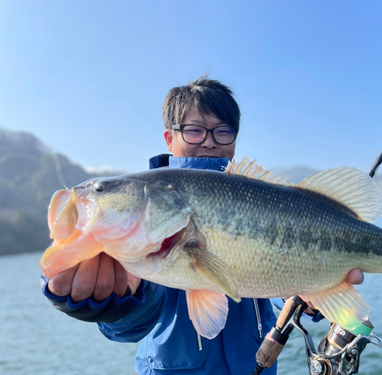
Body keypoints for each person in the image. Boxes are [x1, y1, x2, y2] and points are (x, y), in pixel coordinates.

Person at [41, 75, 364, 374]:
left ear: (235, 139)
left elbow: (267, 285)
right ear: (170, 137)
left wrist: (310, 296)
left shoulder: (255, 196)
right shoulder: (144, 224)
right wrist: (114, 305)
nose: (209, 141)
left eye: (223, 131)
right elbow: (135, 321)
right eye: (195, 130)